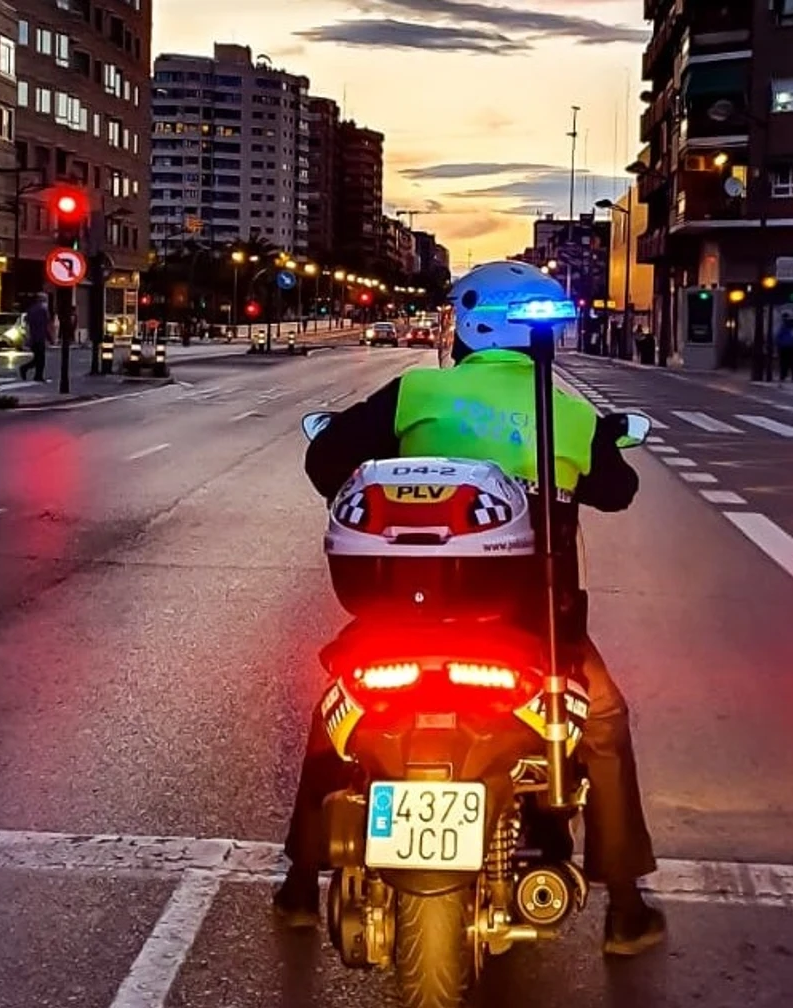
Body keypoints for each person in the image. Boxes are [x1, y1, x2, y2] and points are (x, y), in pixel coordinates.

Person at [281, 260, 667, 958]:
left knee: (334, 714)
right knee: (602, 723)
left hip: (398, 620)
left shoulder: (418, 390)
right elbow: (619, 491)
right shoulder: (570, 411)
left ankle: (299, 885)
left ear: (471, 322)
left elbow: (326, 463)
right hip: (534, 630)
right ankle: (624, 906)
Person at [18, 294, 51, 381]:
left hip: (33, 338)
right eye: (45, 300)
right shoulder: (43, 311)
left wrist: (28, 337)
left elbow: (27, 324)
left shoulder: (31, 310)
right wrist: (50, 338)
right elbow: (44, 326)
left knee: (38, 358)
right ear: (42, 300)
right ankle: (33, 373)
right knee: (40, 359)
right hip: (39, 338)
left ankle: (34, 374)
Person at [776, 314, 793, 382]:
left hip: (785, 347)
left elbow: (779, 336)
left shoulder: (784, 326)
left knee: (784, 363)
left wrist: (778, 344)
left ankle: (783, 376)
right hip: (792, 347)